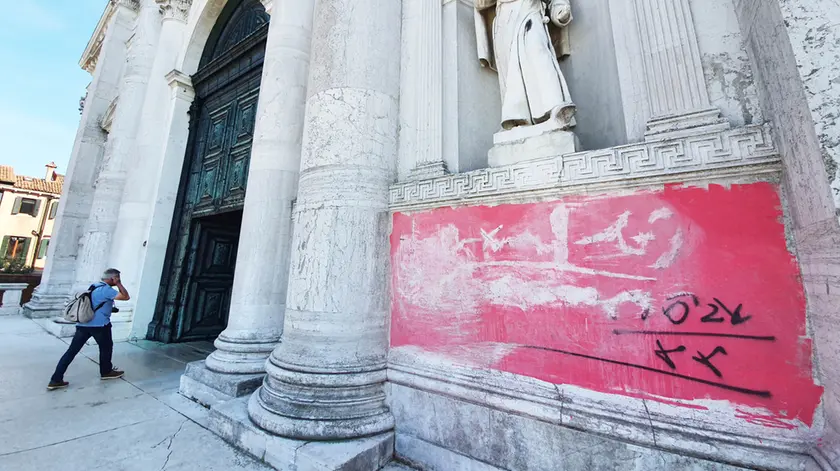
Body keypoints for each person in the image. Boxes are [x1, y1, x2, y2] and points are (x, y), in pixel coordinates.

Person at [47, 268, 130, 390]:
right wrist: (118, 284)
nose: (119, 279)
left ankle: (56, 379)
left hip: (83, 325)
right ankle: (106, 372)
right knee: (106, 348)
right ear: (113, 278)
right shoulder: (106, 290)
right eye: (117, 277)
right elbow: (125, 296)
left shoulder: (93, 286)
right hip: (100, 325)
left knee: (71, 352)